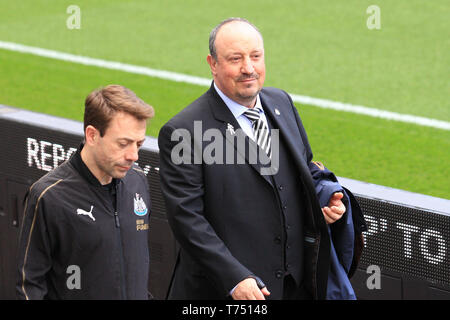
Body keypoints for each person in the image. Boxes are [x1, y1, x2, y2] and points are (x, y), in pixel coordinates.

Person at [158, 18, 366, 300]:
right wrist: (233, 277)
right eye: (235, 59)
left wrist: (324, 200)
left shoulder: (281, 102)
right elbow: (187, 220)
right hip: (231, 292)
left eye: (256, 56)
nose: (248, 68)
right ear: (213, 63)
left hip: (294, 287)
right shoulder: (183, 131)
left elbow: (304, 170)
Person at [16, 85, 154, 299]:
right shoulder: (49, 196)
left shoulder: (137, 181)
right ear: (92, 135)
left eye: (139, 144)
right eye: (123, 144)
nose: (134, 155)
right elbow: (29, 286)